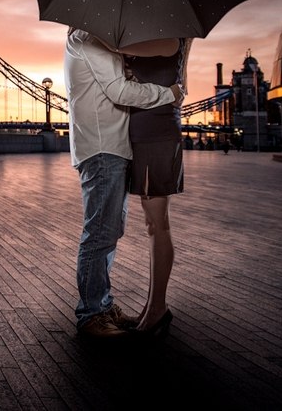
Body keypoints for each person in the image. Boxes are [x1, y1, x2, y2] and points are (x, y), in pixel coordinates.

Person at [64, 28, 184, 339]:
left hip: (114, 146)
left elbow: (119, 83)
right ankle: (92, 314)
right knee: (100, 233)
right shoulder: (87, 38)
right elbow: (118, 91)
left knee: (109, 229)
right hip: (103, 147)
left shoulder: (100, 42)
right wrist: (169, 94)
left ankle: (102, 306)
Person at [123, 37, 192, 339]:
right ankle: (152, 305)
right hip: (142, 132)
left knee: (157, 224)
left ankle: (158, 308)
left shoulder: (169, 34)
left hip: (156, 133)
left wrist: (104, 46)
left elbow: (159, 52)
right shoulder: (148, 36)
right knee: (153, 224)